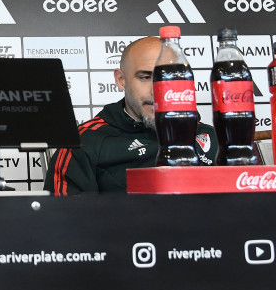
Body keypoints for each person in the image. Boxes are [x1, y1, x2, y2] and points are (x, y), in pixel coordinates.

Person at [45, 35, 219, 194]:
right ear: (121, 80)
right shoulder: (82, 144)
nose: (157, 90)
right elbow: (63, 222)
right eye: (145, 77)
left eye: (167, 77)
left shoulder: (214, 138)